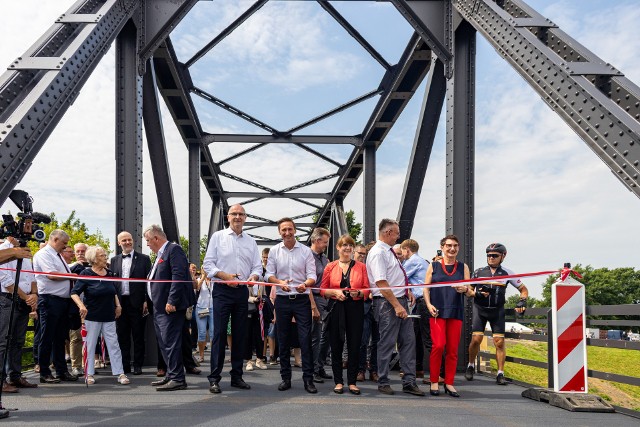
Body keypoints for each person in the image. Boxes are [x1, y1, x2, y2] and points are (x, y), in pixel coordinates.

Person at [203, 204, 261, 394]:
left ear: (245, 218)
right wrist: (225, 276)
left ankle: (237, 376)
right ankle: (214, 378)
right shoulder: (217, 237)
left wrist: (254, 277)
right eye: (234, 214)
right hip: (221, 290)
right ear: (228, 217)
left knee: (239, 335)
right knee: (219, 334)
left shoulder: (251, 241)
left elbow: (257, 267)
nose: (237, 217)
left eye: (241, 214)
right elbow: (208, 264)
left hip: (242, 292)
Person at [366, 220, 423, 396]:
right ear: (389, 232)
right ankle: (383, 381)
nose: (399, 236)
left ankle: (409, 381)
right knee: (387, 343)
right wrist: (397, 305)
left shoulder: (388, 252)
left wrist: (406, 292)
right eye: (397, 233)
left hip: (398, 300)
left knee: (408, 341)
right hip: (388, 303)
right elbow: (381, 282)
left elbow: (393, 277)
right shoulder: (378, 253)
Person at [465, 243, 529, 385]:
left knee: (499, 342)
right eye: (489, 255)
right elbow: (468, 291)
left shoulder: (508, 273)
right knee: (476, 339)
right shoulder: (478, 272)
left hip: (497, 310)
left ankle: (500, 373)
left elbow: (523, 289)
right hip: (480, 309)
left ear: (503, 256)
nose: (491, 258)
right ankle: (470, 365)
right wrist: (477, 293)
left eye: (495, 255)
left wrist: (522, 302)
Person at [266, 217, 317, 393]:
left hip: (301, 299)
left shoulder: (305, 251)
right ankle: (285, 378)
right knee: (283, 339)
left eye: (290, 229)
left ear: (295, 230)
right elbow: (269, 275)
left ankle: (308, 379)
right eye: (283, 230)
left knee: (305, 340)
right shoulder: (274, 251)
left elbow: (312, 275)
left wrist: (306, 284)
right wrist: (279, 282)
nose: (287, 233)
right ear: (279, 232)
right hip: (282, 299)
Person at [144, 224, 195, 391]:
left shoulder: (173, 250)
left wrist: (172, 300)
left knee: (171, 342)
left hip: (169, 307)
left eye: (148, 241)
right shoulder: (161, 254)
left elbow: (179, 275)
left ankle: (178, 378)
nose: (147, 244)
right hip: (159, 307)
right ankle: (171, 374)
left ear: (156, 238)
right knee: (164, 342)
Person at [70, 246, 129, 385]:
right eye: (102, 256)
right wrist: (81, 306)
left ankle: (120, 373)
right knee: (90, 345)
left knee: (114, 344)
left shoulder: (109, 273)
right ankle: (89, 373)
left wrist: (118, 305)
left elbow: (113, 291)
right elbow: (74, 293)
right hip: (92, 316)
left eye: (105, 255)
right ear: (94, 259)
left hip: (109, 315)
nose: (105, 258)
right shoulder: (86, 273)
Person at [320, 234, 369, 395]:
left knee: (355, 344)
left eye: (350, 245)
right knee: (336, 345)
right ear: (338, 247)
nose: (347, 248)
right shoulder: (330, 266)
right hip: (336, 307)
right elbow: (322, 290)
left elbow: (367, 289)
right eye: (344, 245)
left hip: (355, 308)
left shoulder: (361, 267)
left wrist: (359, 294)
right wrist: (334, 292)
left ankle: (352, 382)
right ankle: (339, 381)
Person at [424, 234, 472, 398]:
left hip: (455, 311)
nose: (452, 248)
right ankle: (434, 381)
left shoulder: (463, 267)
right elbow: (425, 288)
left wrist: (464, 289)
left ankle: (449, 383)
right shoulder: (434, 266)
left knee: (452, 349)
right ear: (443, 247)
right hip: (437, 311)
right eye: (449, 245)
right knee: (438, 346)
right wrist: (428, 304)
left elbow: (471, 290)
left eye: (455, 246)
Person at [33, 229, 78, 384]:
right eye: (64, 243)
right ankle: (44, 371)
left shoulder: (57, 255)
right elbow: (51, 274)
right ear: (55, 239)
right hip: (50, 300)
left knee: (60, 338)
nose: (65, 247)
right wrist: (72, 275)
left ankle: (61, 371)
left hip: (61, 301)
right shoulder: (44, 254)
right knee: (47, 337)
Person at [0, 236, 39, 392]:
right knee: (3, 342)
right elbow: (5, 280)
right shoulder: (4, 250)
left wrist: (34, 294)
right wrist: (26, 297)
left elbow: (32, 276)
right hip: (8, 299)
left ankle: (15, 376)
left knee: (18, 340)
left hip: (25, 300)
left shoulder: (25, 251)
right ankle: (1, 381)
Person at [111, 231, 152, 375]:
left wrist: (147, 300)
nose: (127, 242)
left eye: (129, 240)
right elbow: (113, 285)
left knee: (138, 336)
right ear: (119, 243)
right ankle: (125, 365)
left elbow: (149, 282)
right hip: (121, 304)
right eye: (124, 240)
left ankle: (138, 365)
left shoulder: (144, 259)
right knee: (122, 336)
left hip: (138, 303)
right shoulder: (114, 260)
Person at [400, 239, 430, 381]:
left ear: (407, 249)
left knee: (425, 338)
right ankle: (418, 369)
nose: (402, 255)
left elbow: (399, 277)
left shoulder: (412, 261)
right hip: (421, 302)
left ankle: (440, 373)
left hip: (422, 302)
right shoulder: (422, 261)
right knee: (416, 337)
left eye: (402, 251)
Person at [309, 227, 332, 383]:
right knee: (315, 336)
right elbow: (307, 285)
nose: (326, 245)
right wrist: (313, 307)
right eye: (325, 242)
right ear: (317, 241)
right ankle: (313, 370)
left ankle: (319, 366)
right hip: (313, 299)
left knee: (326, 336)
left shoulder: (325, 260)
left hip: (326, 299)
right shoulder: (306, 256)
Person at [357, 241, 379, 383]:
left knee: (377, 341)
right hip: (364, 306)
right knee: (363, 340)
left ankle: (374, 370)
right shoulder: (359, 268)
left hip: (378, 305)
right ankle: (361, 369)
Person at [195, 271, 213, 364]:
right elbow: (197, 288)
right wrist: (203, 277)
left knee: (213, 332)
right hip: (201, 307)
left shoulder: (214, 280)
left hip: (212, 308)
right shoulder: (199, 280)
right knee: (202, 332)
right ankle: (201, 356)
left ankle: (214, 356)